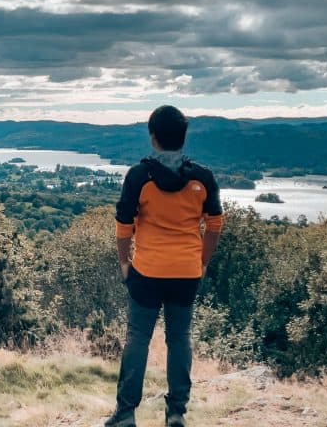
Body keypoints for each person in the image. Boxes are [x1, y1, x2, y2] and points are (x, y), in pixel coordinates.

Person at [105, 105, 224, 427]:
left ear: (153, 138)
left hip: (147, 269)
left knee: (138, 338)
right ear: (183, 138)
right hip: (186, 272)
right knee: (179, 338)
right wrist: (202, 262)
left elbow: (123, 223)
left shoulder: (139, 176)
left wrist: (124, 262)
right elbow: (214, 224)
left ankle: (126, 413)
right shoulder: (203, 177)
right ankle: (176, 412)